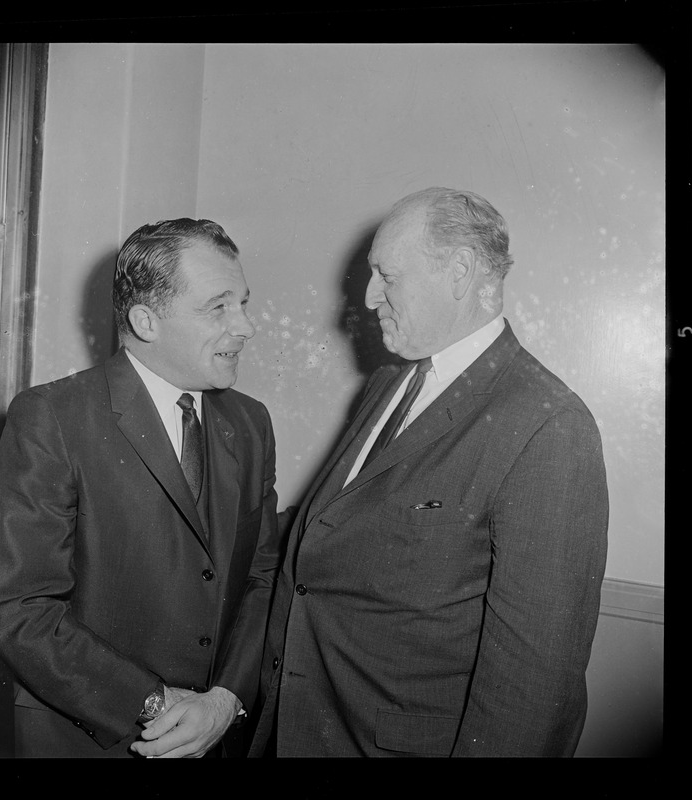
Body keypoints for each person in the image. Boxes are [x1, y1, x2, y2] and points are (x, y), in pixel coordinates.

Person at [247, 187, 609, 758]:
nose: (369, 298)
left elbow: (536, 689)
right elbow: (337, 534)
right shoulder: (390, 385)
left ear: (460, 271)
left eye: (386, 276)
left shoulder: (549, 425)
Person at [0, 217, 281, 758]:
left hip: (216, 730)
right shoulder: (52, 416)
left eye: (243, 303)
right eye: (219, 306)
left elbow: (262, 576)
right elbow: (22, 607)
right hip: (90, 735)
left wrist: (225, 699)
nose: (246, 327)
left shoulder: (251, 421)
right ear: (146, 321)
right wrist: (155, 706)